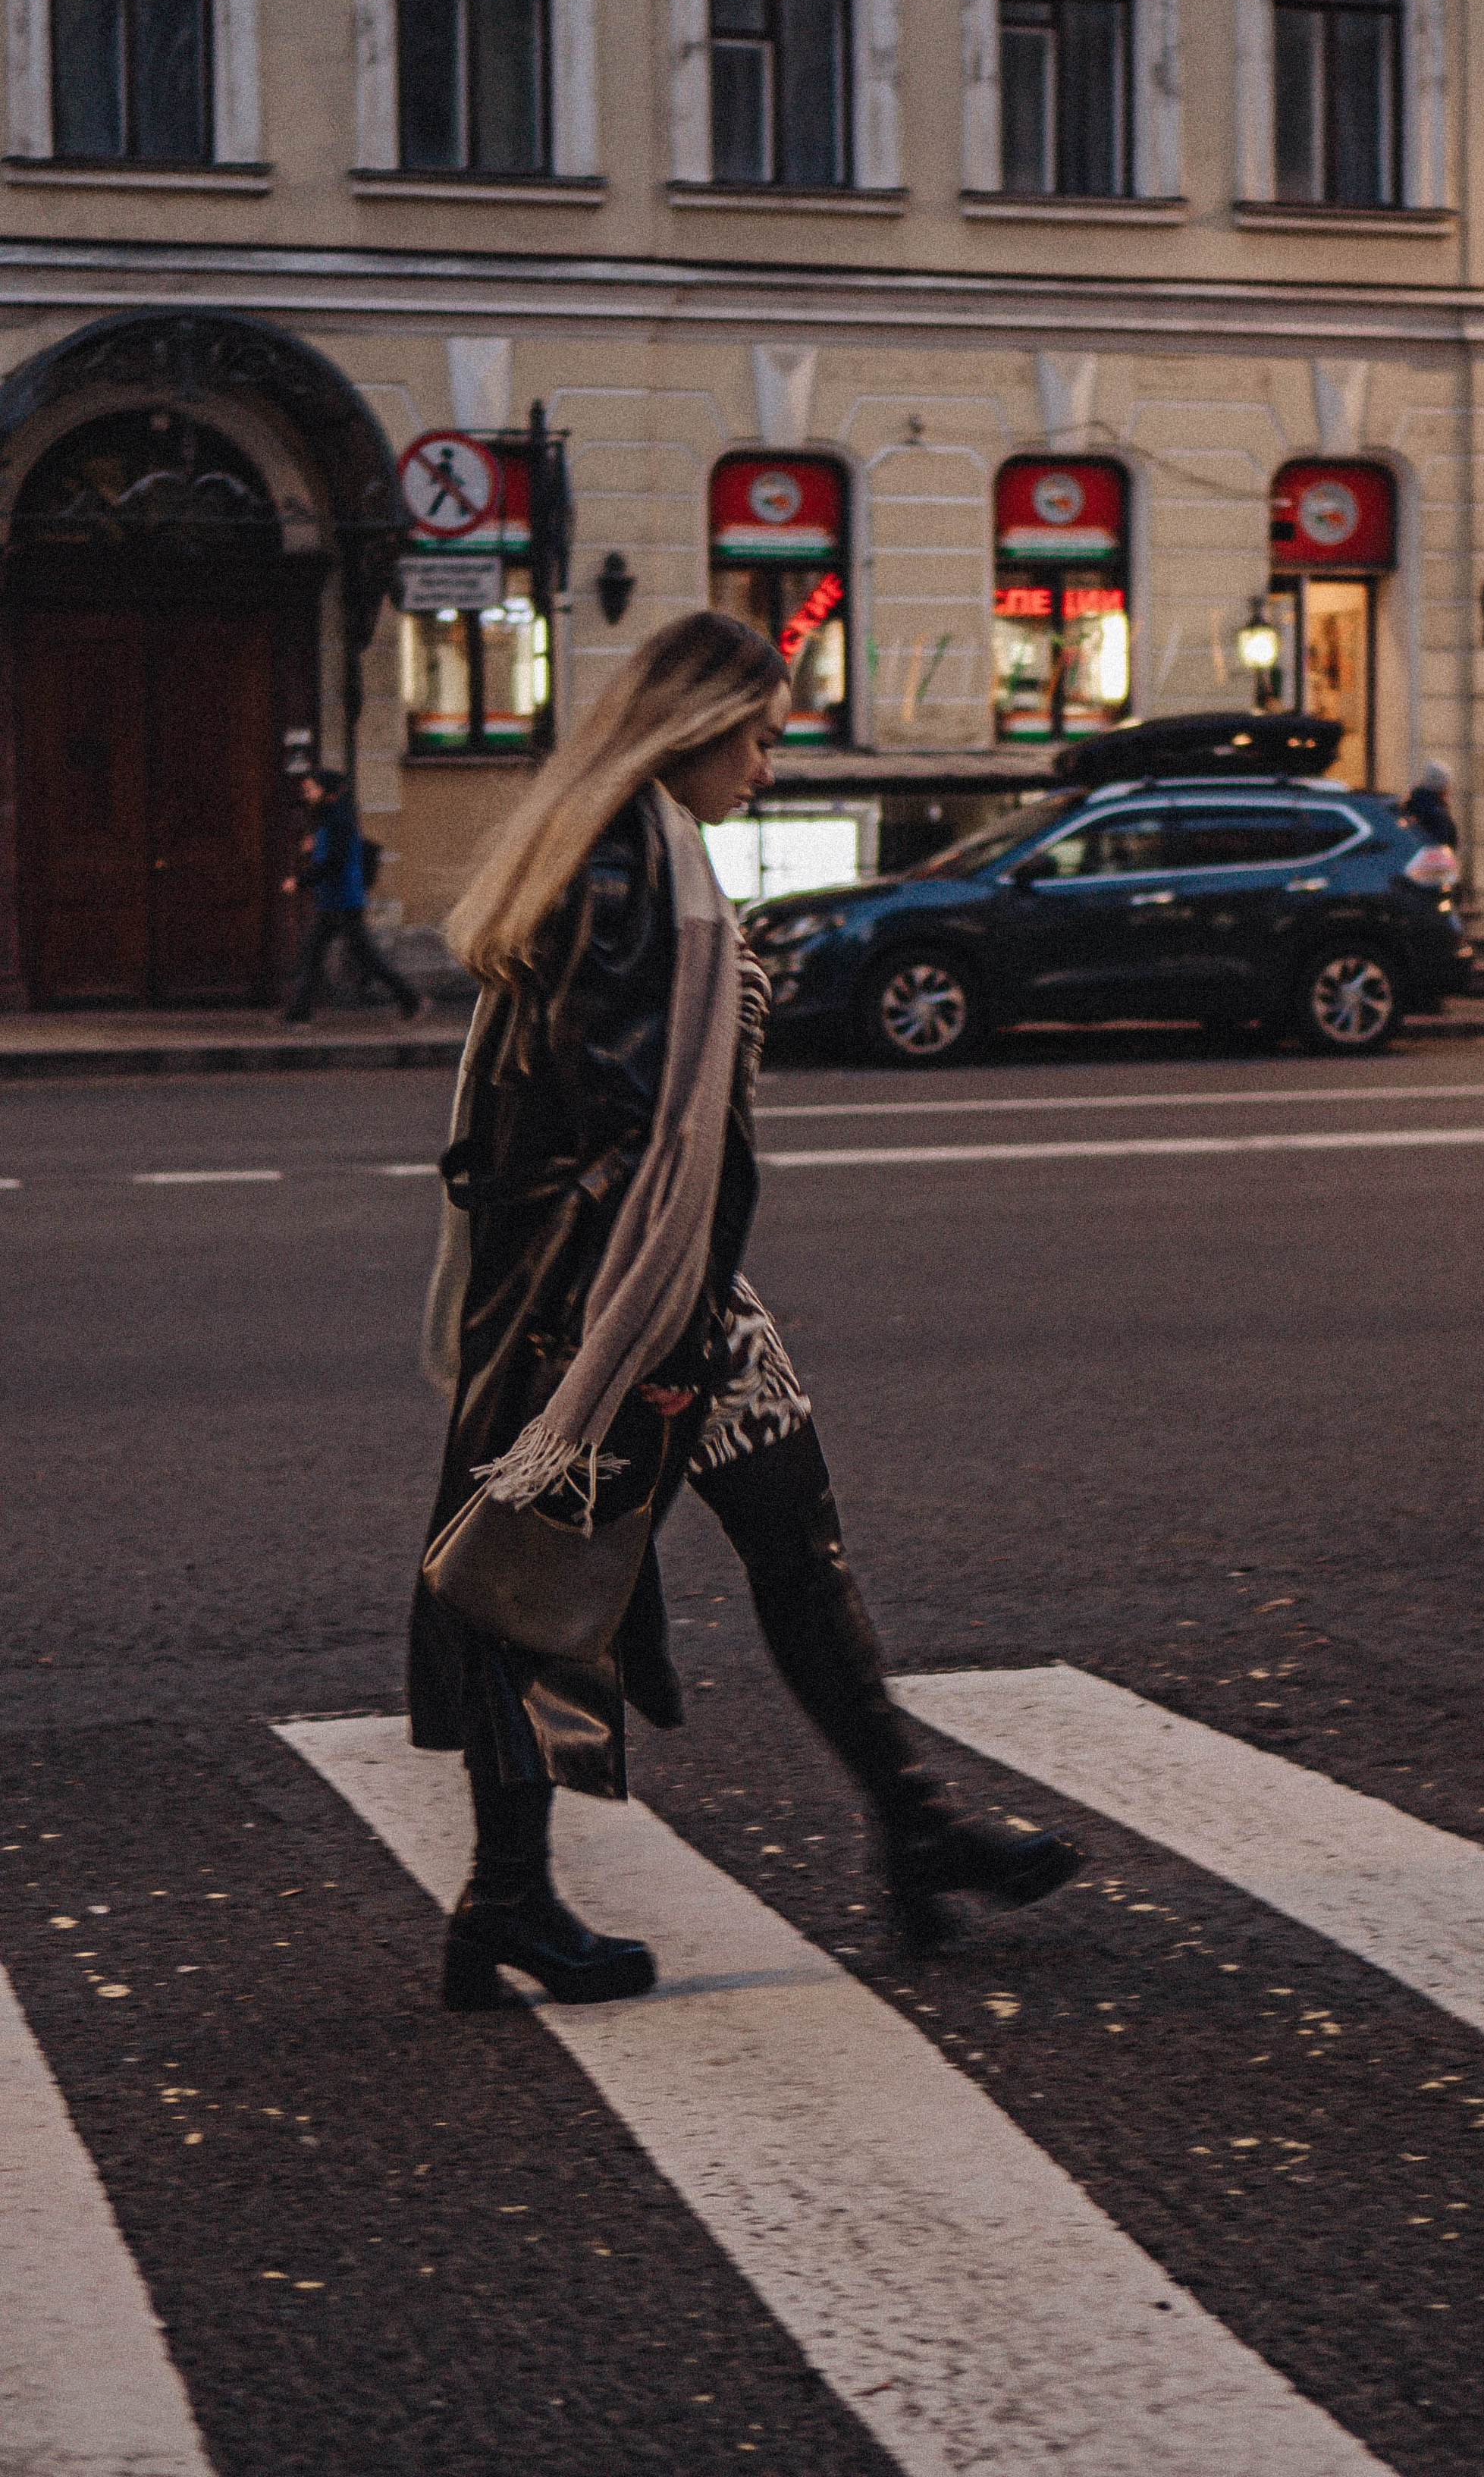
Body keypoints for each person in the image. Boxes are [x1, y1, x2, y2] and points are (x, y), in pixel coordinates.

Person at [409, 610, 1081, 2009]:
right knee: (530, 1584)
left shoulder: (621, 843)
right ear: (697, 728)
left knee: (795, 1536)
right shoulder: (628, 864)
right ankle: (509, 1898)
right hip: (615, 1302)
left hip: (646, 1282)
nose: (771, 766)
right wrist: (663, 1336)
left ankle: (909, 1822)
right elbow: (629, 1134)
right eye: (765, 737)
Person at [283, 771, 421, 1022]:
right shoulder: (334, 814)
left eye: (312, 789)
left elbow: (334, 861)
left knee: (347, 955)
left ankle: (411, 1000)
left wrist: (300, 881)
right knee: (326, 953)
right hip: (338, 898)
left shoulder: (337, 818)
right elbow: (335, 850)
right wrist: (315, 845)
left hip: (342, 900)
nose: (308, 794)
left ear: (325, 790)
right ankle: (299, 1013)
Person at [1402, 759, 1460, 852]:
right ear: (1442, 787)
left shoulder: (1415, 803)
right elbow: (1442, 842)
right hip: (1433, 862)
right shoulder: (1435, 812)